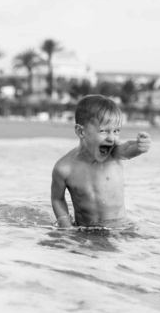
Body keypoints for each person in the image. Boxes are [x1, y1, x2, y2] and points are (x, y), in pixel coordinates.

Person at [51, 94, 151, 231]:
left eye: (116, 131)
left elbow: (127, 148)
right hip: (85, 231)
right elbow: (57, 199)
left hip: (121, 228)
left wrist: (139, 147)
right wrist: (65, 225)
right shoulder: (64, 168)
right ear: (81, 131)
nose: (112, 138)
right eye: (104, 131)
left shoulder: (114, 154)